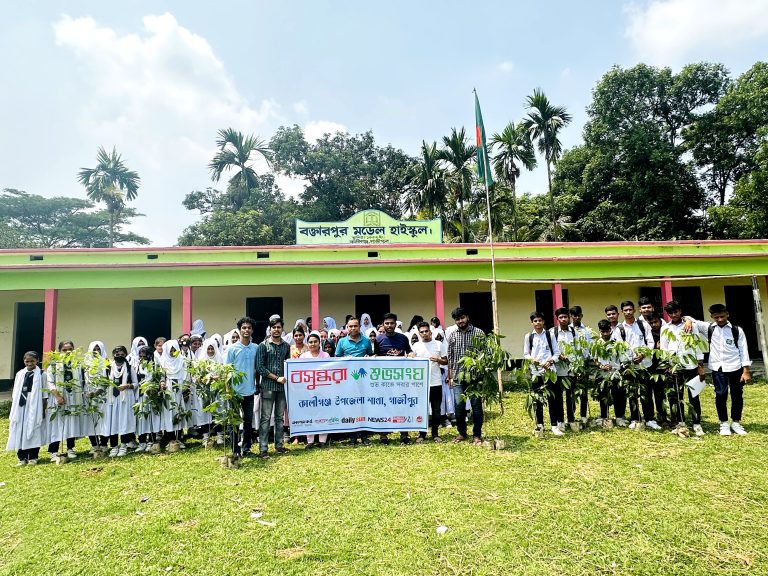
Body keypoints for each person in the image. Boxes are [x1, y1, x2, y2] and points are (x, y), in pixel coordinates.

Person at [691, 303, 751, 435]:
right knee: (720, 394)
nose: (719, 320)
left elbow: (743, 349)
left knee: (737, 395)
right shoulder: (708, 328)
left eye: (722, 316)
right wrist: (688, 321)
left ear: (727, 314)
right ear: (712, 316)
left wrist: (746, 370)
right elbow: (689, 318)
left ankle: (736, 422)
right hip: (718, 368)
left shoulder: (736, 330)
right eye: (716, 317)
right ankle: (723, 423)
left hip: (735, 366)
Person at [613, 300, 659, 430]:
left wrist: (643, 355)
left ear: (634, 310)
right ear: (622, 312)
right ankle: (634, 418)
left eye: (630, 310)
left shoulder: (643, 325)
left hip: (645, 365)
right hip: (629, 367)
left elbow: (650, 342)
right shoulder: (619, 329)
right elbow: (619, 349)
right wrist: (629, 361)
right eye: (625, 310)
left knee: (647, 392)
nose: (628, 312)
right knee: (632, 393)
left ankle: (649, 418)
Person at [660, 301, 705, 436]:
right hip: (675, 367)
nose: (674, 315)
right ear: (667, 314)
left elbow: (697, 345)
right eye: (671, 313)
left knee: (694, 396)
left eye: (676, 312)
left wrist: (700, 366)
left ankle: (697, 424)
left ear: (680, 311)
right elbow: (664, 348)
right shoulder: (665, 328)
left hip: (691, 365)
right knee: (676, 396)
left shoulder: (690, 326)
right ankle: (681, 423)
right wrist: (668, 365)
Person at [446, 307, 485, 445]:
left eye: (462, 318)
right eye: (457, 319)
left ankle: (477, 435)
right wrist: (450, 377)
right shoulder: (452, 335)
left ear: (467, 317)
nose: (460, 321)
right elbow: (450, 358)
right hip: (457, 377)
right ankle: (462, 433)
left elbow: (485, 354)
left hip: (475, 377)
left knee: (476, 407)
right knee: (459, 407)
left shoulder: (478, 333)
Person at [374, 312, 413, 444]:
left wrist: (412, 355)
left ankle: (404, 434)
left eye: (392, 323)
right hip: (384, 380)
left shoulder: (403, 338)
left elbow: (410, 351)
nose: (389, 325)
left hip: (401, 379)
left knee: (402, 405)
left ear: (396, 324)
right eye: (387, 323)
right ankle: (384, 436)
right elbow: (375, 357)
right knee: (384, 406)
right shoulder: (378, 340)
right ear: (383, 325)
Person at [256, 317, 291, 458]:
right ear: (270, 329)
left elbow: (288, 364)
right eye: (274, 327)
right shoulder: (263, 345)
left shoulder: (286, 346)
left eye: (279, 327)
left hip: (282, 388)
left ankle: (279, 445)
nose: (276, 330)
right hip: (268, 386)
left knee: (279, 418)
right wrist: (276, 378)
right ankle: (263, 449)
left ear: (282, 329)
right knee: (265, 418)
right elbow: (260, 367)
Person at [225, 317, 258, 456]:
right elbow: (227, 370)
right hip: (234, 392)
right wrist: (228, 390)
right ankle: (235, 450)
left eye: (249, 328)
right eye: (244, 328)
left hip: (249, 391)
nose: (246, 330)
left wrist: (257, 385)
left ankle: (246, 449)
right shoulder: (232, 349)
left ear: (252, 330)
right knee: (233, 422)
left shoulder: (256, 348)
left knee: (248, 422)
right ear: (239, 330)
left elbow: (257, 369)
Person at [7, 351, 47, 466]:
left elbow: (44, 395)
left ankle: (33, 456)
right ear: (24, 361)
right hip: (21, 405)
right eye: (27, 361)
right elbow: (15, 392)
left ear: (37, 361)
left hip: (34, 405)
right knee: (20, 429)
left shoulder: (42, 374)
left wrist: (43, 409)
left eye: (32, 361)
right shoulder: (20, 374)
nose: (29, 363)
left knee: (34, 428)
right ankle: (22, 457)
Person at [411, 321, 447, 443]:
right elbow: (411, 362)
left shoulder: (438, 344)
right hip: (421, 384)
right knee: (422, 410)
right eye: (422, 332)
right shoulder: (416, 346)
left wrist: (438, 360)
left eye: (426, 331)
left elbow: (446, 361)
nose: (425, 333)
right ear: (419, 333)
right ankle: (422, 434)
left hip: (436, 382)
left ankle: (435, 434)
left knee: (436, 410)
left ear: (430, 332)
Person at [103, 345, 138, 457]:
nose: (120, 356)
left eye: (122, 354)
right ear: (113, 355)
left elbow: (136, 384)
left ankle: (123, 446)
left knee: (124, 422)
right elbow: (104, 383)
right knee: (113, 422)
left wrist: (127, 386)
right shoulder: (108, 367)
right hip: (112, 399)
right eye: (117, 354)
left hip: (125, 398)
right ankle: (113, 446)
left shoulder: (129, 367)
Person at [300, 332, 330, 448]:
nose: (313, 344)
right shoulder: (303, 357)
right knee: (310, 414)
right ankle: (310, 441)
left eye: (315, 342)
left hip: (323, 389)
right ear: (307, 344)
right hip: (308, 390)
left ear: (319, 343)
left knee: (323, 413)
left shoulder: (325, 356)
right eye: (310, 342)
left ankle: (322, 440)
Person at [593, 319, 623, 427]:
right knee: (603, 395)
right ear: (599, 331)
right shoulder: (597, 343)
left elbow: (621, 357)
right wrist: (601, 366)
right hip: (603, 374)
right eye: (603, 331)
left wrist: (614, 366)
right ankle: (604, 416)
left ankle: (619, 417)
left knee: (617, 395)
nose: (605, 334)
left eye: (607, 331)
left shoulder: (617, 342)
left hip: (615, 372)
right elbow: (595, 359)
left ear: (611, 329)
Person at [551, 307, 577, 430]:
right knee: (558, 397)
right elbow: (550, 350)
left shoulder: (575, 332)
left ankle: (571, 419)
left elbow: (579, 349)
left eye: (565, 317)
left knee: (571, 396)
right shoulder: (552, 332)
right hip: (558, 370)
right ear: (557, 319)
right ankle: (560, 421)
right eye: (560, 317)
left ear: (569, 317)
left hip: (572, 369)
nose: (563, 319)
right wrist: (559, 356)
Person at [135, 345, 163, 452]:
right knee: (141, 418)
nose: (142, 358)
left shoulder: (155, 366)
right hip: (140, 396)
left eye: (145, 356)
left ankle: (151, 441)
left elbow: (159, 380)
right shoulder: (137, 366)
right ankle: (142, 442)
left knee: (151, 418)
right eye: (141, 356)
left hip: (152, 396)